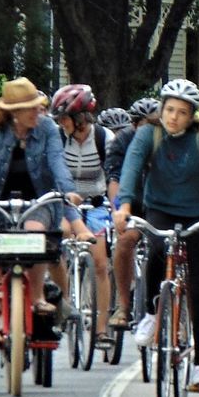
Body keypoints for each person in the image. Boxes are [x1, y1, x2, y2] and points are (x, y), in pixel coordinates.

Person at [0, 77, 88, 384]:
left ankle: (34, 299)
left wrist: (68, 192)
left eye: (37, 106)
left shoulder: (47, 130)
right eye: (29, 108)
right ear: (13, 112)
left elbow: (57, 164)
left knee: (36, 235)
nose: (37, 112)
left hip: (38, 200)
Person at [114, 79, 199, 393]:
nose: (174, 117)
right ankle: (151, 314)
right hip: (160, 208)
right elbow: (132, 167)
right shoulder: (147, 134)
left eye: (182, 112)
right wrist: (124, 205)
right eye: (169, 110)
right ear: (161, 108)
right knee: (155, 250)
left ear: (192, 115)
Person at [51, 84, 114, 347]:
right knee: (62, 236)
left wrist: (116, 205)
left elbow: (113, 175)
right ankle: (64, 306)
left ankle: (101, 330)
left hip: (97, 205)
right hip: (65, 203)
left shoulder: (104, 138)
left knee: (100, 264)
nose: (61, 123)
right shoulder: (57, 138)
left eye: (64, 118)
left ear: (79, 119)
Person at [105, 97, 159, 328]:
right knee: (124, 242)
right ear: (135, 125)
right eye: (143, 125)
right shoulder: (122, 142)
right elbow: (115, 178)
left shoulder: (169, 140)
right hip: (133, 205)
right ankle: (123, 306)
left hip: (161, 206)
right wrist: (118, 210)